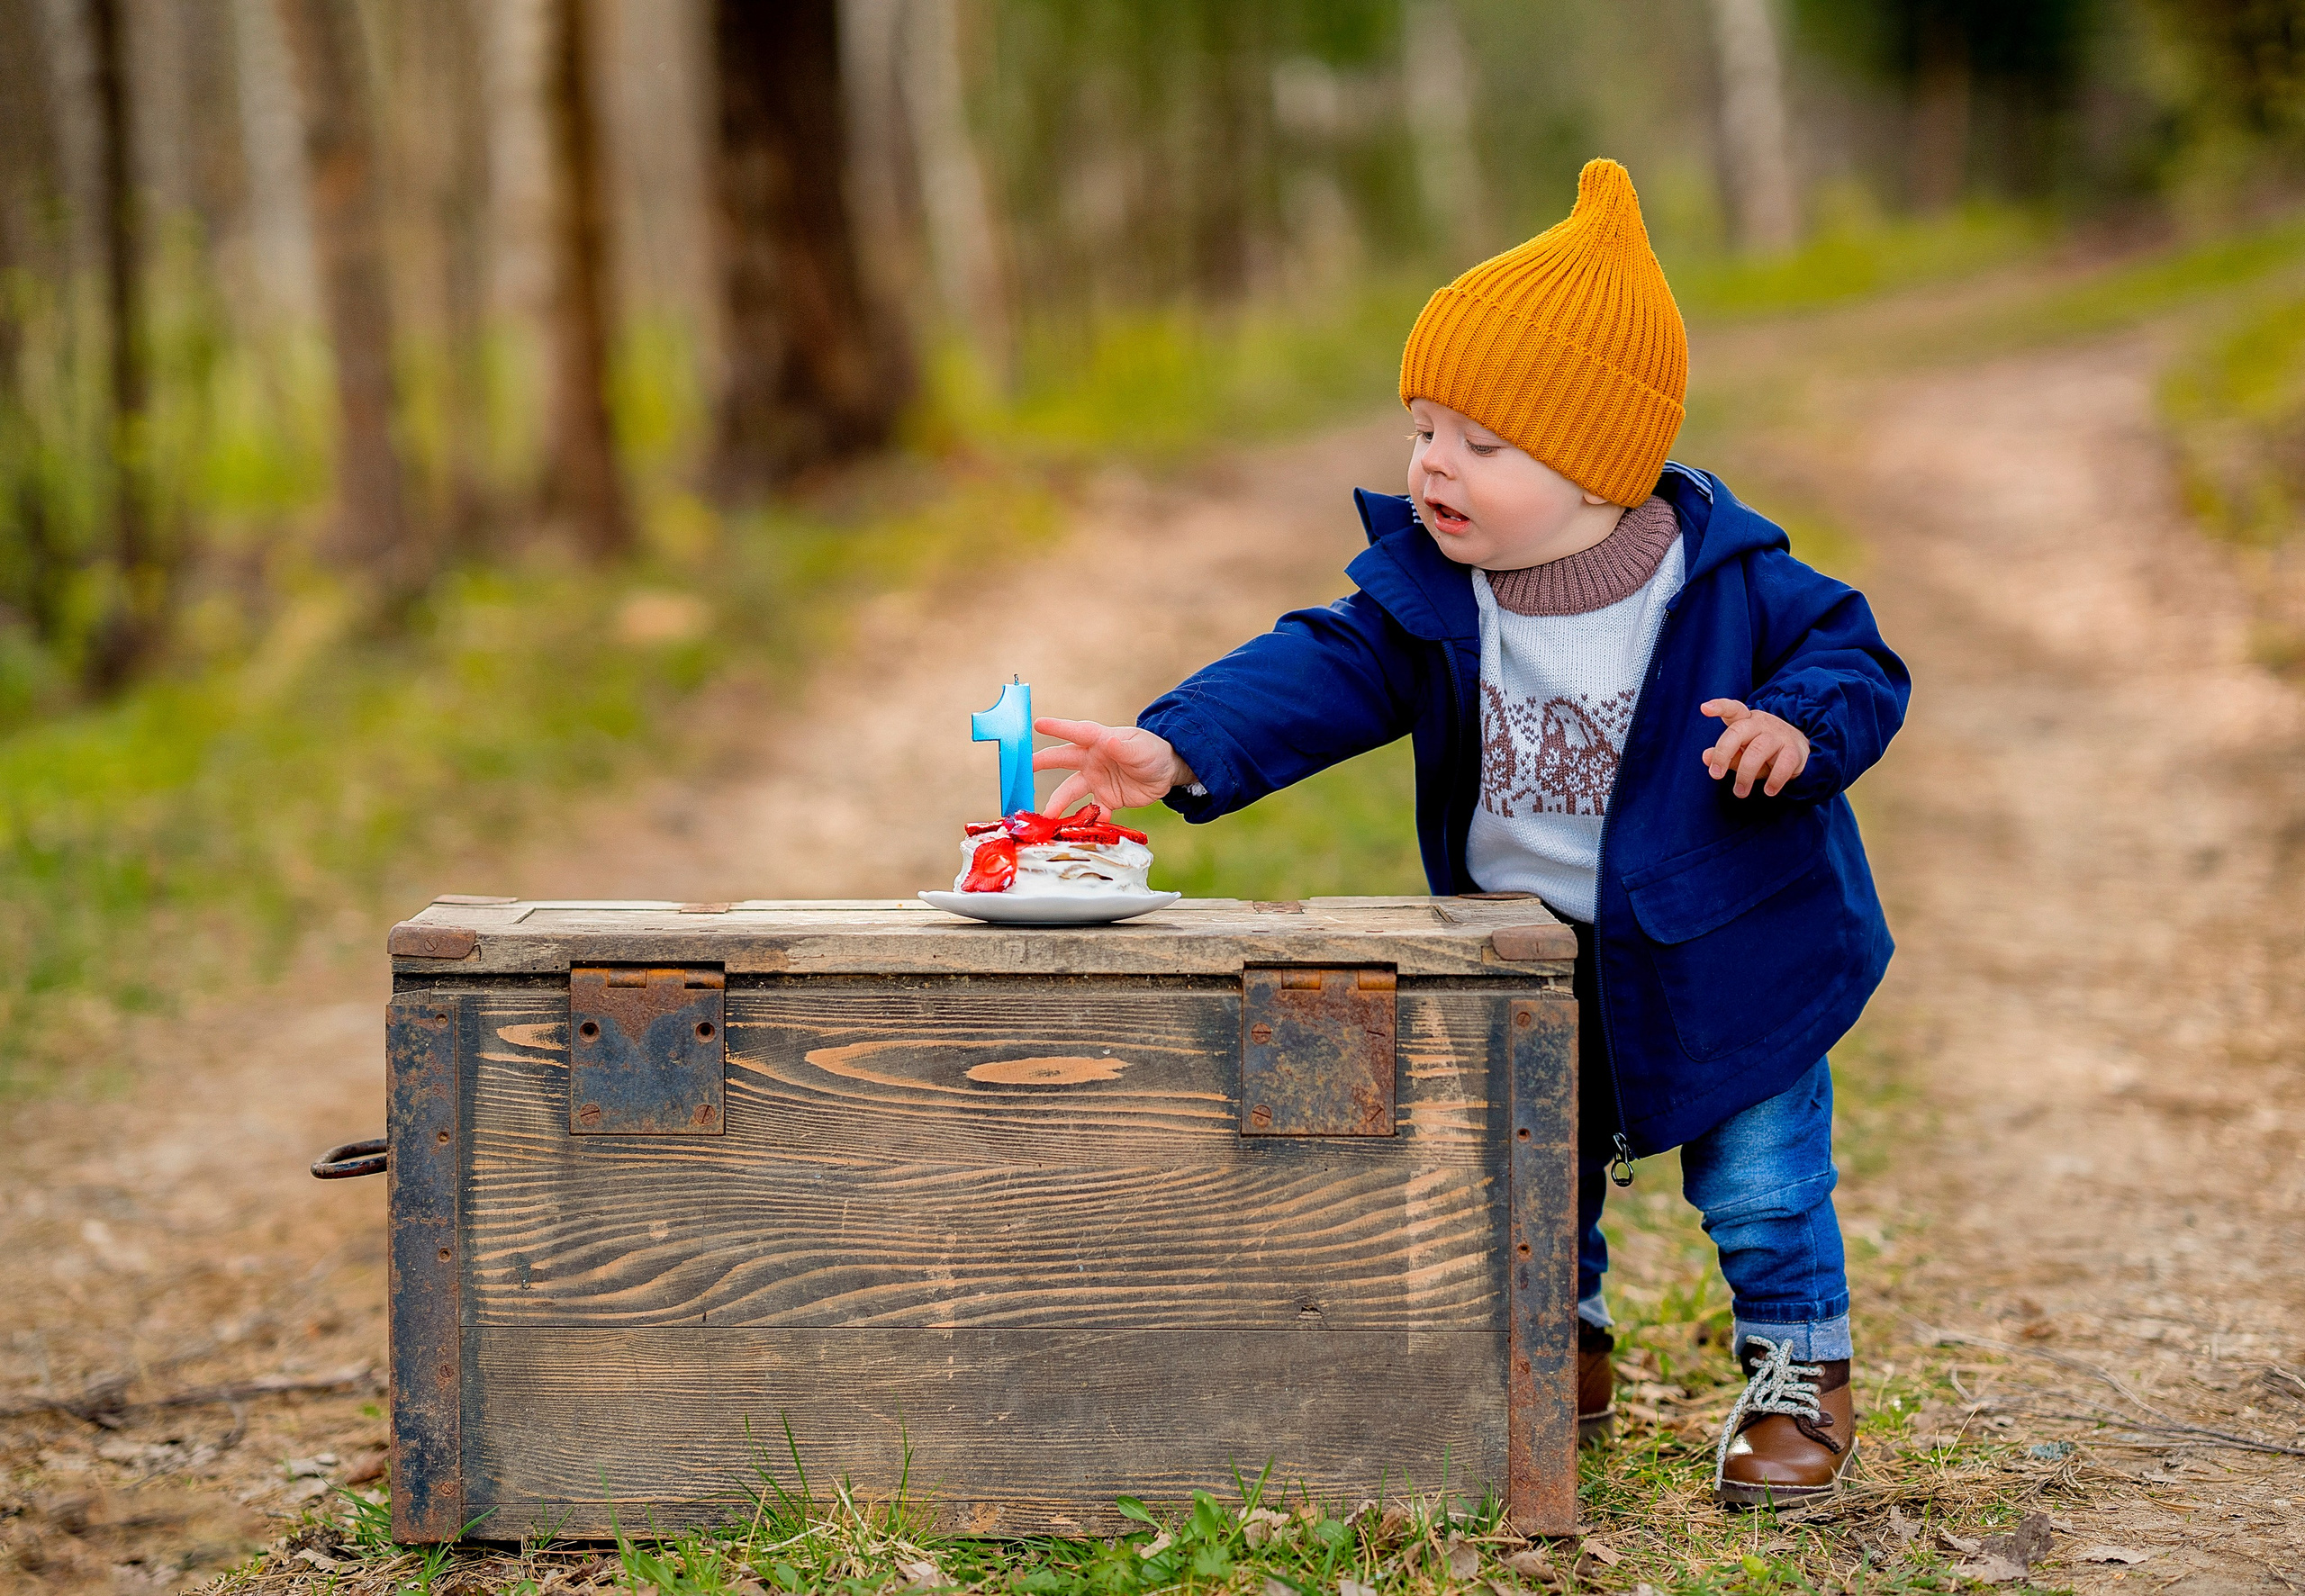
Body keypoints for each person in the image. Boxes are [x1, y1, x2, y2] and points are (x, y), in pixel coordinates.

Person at [1032, 158, 1909, 1508]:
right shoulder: (1442, 594)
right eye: (1421, 429)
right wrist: (1178, 743)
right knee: (1527, 1160)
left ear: (1596, 461)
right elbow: (1316, 667)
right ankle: (1556, 1346)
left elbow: (1856, 660)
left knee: (1762, 1175)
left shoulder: (1736, 584)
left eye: (1479, 444)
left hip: (1734, 942)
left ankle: (1800, 1372)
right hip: (1530, 950)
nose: (1432, 465)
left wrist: (1800, 726)